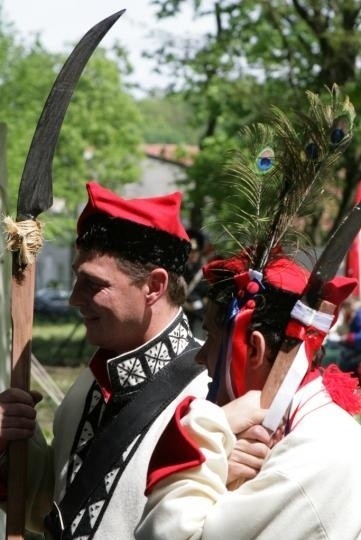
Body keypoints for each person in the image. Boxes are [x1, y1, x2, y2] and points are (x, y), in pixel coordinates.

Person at [0, 181, 213, 539]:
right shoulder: (90, 384)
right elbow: (51, 511)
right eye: (76, 280)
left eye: (93, 284)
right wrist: (10, 445)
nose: (73, 299)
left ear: (154, 286)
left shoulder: (208, 397)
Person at [135, 252, 361, 540]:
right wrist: (220, 472)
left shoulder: (311, 457)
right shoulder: (310, 432)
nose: (201, 357)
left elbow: (167, 535)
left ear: (253, 349)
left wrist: (212, 426)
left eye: (212, 339)